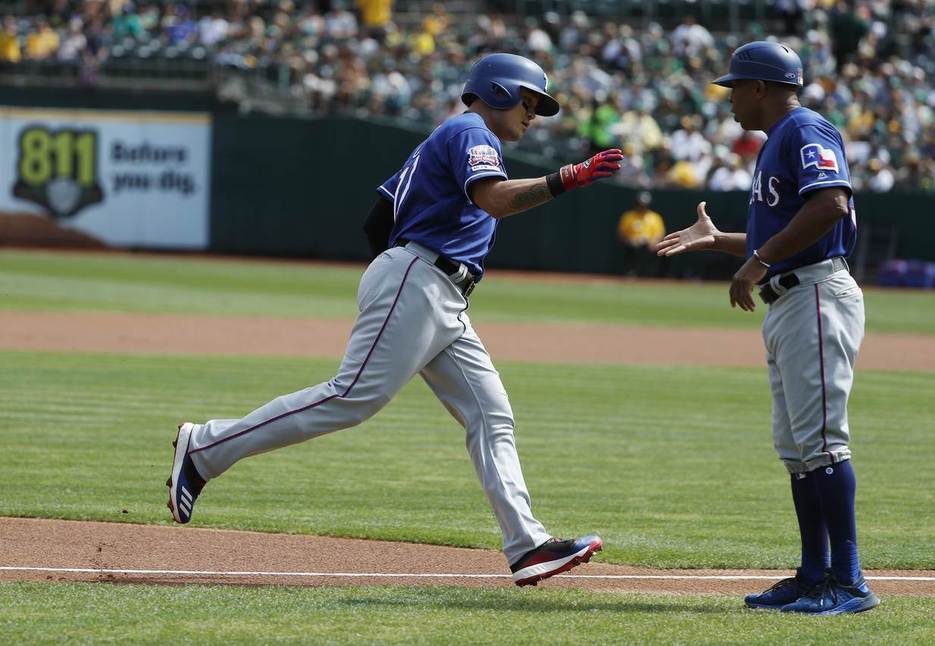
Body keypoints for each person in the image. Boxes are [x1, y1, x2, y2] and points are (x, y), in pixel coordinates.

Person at [167, 52, 623, 587]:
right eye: (529, 101)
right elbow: (494, 200)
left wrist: (397, 267)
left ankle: (527, 547)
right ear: (498, 91)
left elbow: (377, 216)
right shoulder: (472, 132)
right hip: (423, 278)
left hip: (437, 290)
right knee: (350, 397)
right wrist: (566, 178)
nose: (534, 114)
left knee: (491, 415)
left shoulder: (450, 138)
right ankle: (204, 447)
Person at [657, 41, 879, 615]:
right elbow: (785, 226)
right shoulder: (779, 141)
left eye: (735, 88)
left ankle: (848, 581)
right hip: (791, 298)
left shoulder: (804, 128)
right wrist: (724, 242)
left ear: (760, 88)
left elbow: (829, 204)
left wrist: (755, 262)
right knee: (800, 450)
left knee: (824, 444)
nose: (730, 100)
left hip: (815, 294)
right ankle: (813, 576)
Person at [617, 191, 666, 277]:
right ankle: (631, 273)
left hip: (649, 246)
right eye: (640, 204)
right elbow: (621, 235)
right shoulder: (628, 216)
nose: (642, 207)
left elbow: (660, 234)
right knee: (632, 250)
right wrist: (631, 241)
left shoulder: (655, 217)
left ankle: (651, 275)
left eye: (645, 205)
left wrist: (653, 242)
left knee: (660, 251)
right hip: (633, 246)